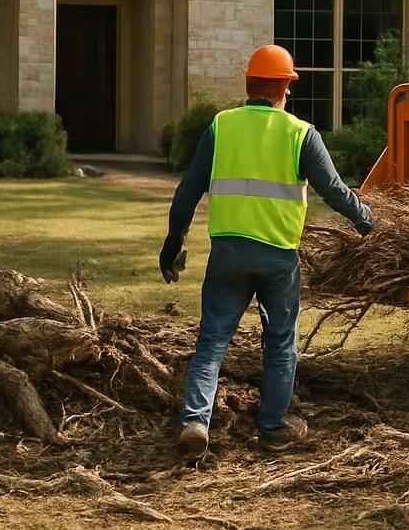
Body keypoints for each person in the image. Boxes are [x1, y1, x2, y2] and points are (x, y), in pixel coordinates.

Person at [158, 44, 373, 457]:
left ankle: (195, 422)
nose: (289, 93)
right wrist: (367, 221)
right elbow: (335, 191)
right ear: (281, 88)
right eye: (288, 85)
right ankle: (273, 428)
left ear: (250, 85)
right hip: (277, 258)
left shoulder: (222, 127)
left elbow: (188, 190)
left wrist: (174, 242)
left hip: (228, 253)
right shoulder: (300, 133)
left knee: (212, 342)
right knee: (279, 343)